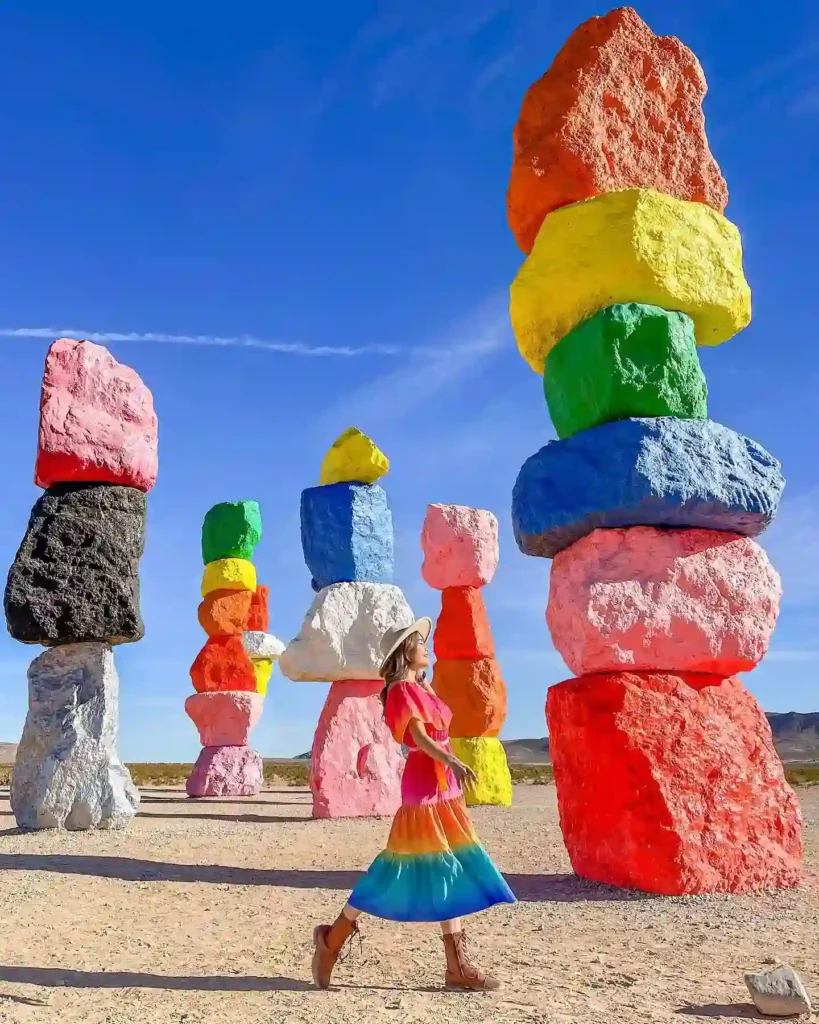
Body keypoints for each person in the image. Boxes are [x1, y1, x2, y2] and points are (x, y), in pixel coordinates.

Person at [311, 617, 516, 991]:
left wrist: (425, 684)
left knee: (450, 865)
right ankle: (332, 939)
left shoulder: (418, 687)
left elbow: (437, 720)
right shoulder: (400, 691)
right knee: (395, 866)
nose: (427, 647)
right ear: (406, 651)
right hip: (424, 785)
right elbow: (419, 736)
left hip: (443, 787)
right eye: (420, 643)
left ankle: (456, 967)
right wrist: (452, 760)